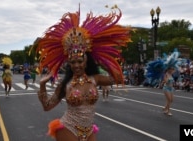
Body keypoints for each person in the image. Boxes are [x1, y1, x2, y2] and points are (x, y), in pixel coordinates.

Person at [35, 5, 131, 141]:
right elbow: (47, 106)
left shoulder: (95, 79)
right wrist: (42, 85)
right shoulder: (65, 85)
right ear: (69, 64)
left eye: (80, 61)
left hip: (89, 130)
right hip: (68, 128)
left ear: (86, 61)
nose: (76, 65)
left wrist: (102, 60)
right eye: (73, 62)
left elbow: (116, 78)